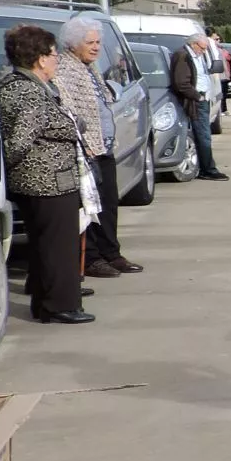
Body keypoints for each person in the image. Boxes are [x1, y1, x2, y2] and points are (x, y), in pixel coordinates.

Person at [0, 25, 97, 324]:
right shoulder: (25, 90)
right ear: (40, 59)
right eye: (54, 55)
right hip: (44, 182)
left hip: (49, 180)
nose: (56, 61)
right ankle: (58, 305)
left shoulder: (25, 86)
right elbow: (19, 140)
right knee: (57, 244)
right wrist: (71, 127)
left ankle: (48, 301)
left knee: (48, 244)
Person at [55, 17, 144, 280]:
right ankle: (93, 258)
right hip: (87, 150)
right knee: (92, 209)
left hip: (103, 147)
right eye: (90, 43)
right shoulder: (66, 70)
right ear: (73, 44)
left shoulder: (89, 68)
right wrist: (86, 144)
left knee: (108, 203)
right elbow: (69, 109)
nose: (96, 47)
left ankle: (111, 253)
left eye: (98, 42)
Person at [173, 31, 228, 181]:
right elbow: (181, 83)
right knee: (203, 135)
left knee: (203, 135)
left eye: (205, 49)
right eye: (202, 48)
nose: (204, 51)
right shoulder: (183, 56)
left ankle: (206, 166)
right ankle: (208, 169)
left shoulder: (197, 55)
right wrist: (198, 96)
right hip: (196, 100)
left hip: (203, 98)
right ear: (193, 44)